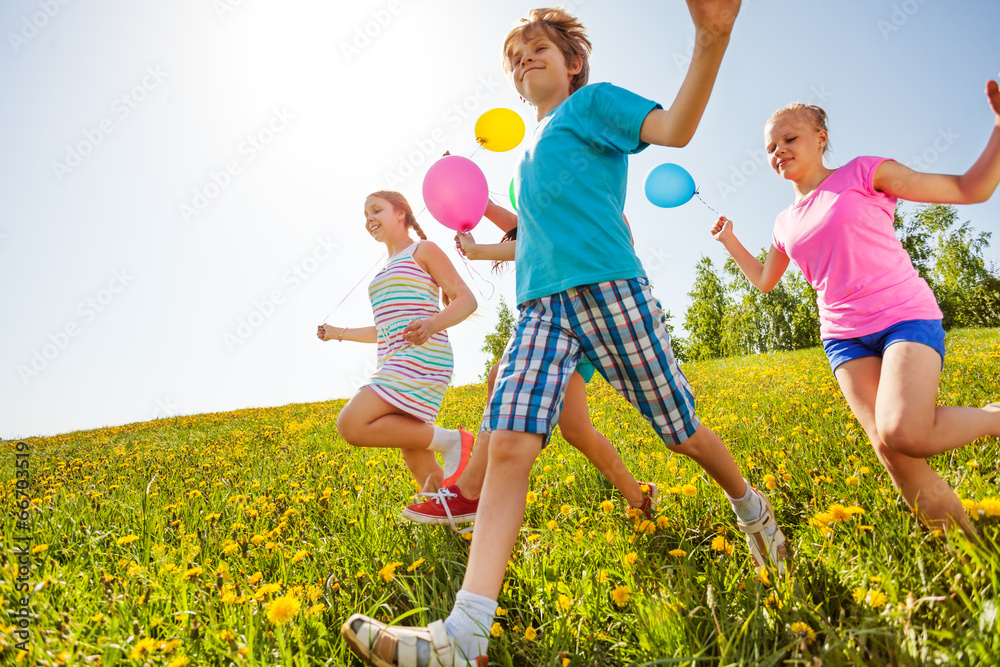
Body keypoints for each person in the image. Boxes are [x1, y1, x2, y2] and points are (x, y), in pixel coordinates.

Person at [342, 5, 788, 666]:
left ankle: (753, 510)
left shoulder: (595, 107)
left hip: (610, 290)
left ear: (572, 62)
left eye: (537, 49)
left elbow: (676, 127)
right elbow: (530, 232)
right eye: (516, 59)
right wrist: (482, 231)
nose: (525, 61)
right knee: (511, 442)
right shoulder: (528, 158)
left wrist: (710, 39)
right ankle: (464, 635)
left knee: (680, 430)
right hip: (542, 311)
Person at [709, 82, 1000, 535]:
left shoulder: (864, 172)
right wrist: (729, 241)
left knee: (904, 430)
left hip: (903, 315)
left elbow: (970, 188)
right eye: (770, 147)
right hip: (844, 338)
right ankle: (967, 552)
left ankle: (994, 419)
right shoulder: (785, 221)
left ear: (821, 137)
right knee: (892, 452)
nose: (778, 151)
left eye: (789, 139)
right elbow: (766, 281)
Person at [401, 225, 658, 530]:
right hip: (563, 315)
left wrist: (478, 250)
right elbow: (523, 223)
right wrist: (472, 218)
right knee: (576, 430)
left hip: (581, 309)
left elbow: (544, 236)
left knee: (501, 375)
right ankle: (639, 495)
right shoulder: (541, 197)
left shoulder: (575, 198)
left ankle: (470, 491)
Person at [319, 190, 477, 500]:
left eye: (376, 210)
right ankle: (453, 511)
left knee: (351, 424)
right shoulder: (382, 272)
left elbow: (466, 300)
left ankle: (454, 441)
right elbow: (385, 330)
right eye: (366, 215)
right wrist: (338, 332)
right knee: (415, 453)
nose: (369, 219)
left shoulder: (423, 250)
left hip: (423, 356)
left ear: (400, 213)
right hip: (396, 359)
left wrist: (431, 324)